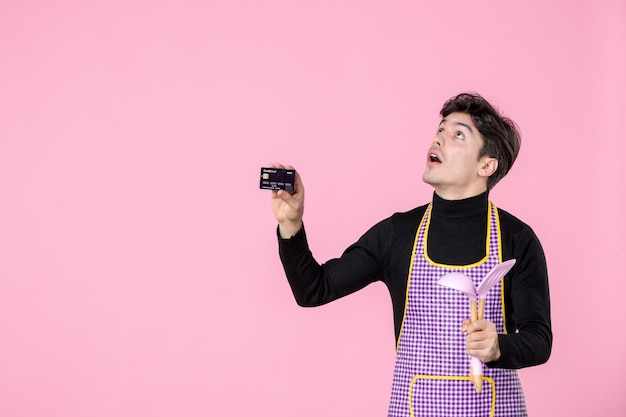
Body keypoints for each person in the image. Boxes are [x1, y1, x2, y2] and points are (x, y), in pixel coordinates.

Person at [269, 92, 552, 416]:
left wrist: (500, 345)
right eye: (441, 129)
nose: (439, 138)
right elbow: (312, 289)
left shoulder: (517, 239)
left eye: (458, 134)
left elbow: (539, 339)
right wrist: (291, 224)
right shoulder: (397, 234)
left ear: (486, 164)